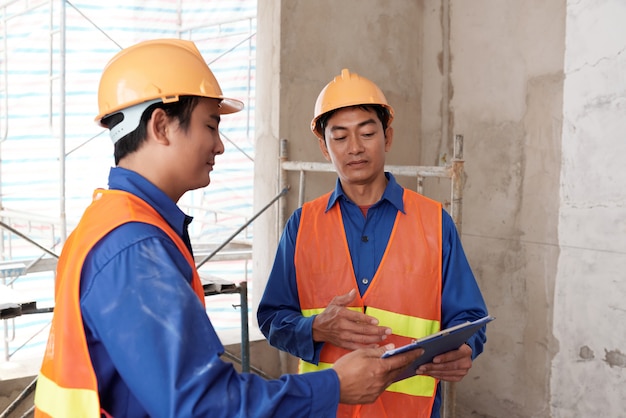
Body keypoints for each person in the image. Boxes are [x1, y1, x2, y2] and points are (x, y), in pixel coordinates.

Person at [33, 42, 424, 418]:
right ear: (161, 126)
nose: (219, 146)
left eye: (367, 132)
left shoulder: (121, 224)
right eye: (210, 125)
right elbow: (201, 404)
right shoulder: (134, 246)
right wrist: (331, 385)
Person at [257, 68, 489, 418]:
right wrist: (316, 327)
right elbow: (273, 318)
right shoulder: (302, 225)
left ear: (387, 136)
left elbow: (469, 317)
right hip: (327, 410)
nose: (354, 148)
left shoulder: (434, 222)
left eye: (367, 133)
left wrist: (466, 348)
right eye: (339, 137)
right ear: (323, 146)